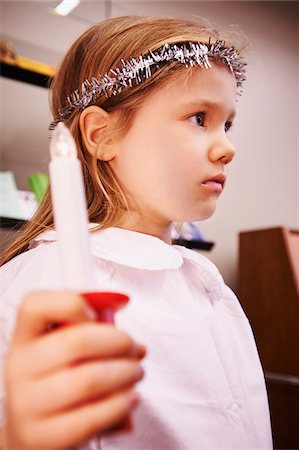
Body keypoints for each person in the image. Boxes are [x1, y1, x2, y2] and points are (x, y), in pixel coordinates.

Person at [0, 15, 273, 450]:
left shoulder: (208, 285)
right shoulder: (38, 287)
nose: (227, 147)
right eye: (198, 117)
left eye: (228, 124)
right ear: (101, 134)